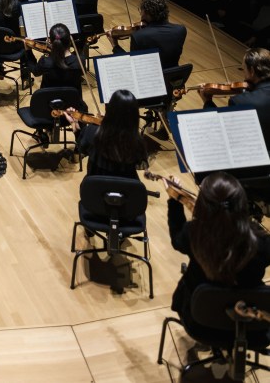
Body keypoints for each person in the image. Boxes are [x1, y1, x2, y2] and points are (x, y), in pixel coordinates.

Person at [166, 171, 270, 344]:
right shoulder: (262, 243)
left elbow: (177, 239)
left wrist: (174, 201)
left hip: (200, 323)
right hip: (251, 327)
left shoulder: (193, 233)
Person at [64, 88, 146, 178]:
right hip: (126, 189)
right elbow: (140, 164)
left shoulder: (92, 132)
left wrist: (74, 124)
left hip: (97, 187)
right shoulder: (138, 142)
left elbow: (81, 148)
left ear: (110, 110)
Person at [201, 48, 270, 151]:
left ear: (251, 71)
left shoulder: (241, 101)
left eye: (244, 69)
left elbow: (222, 132)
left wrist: (207, 101)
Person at [107, 0, 187, 69]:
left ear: (146, 13)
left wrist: (115, 45)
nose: (140, 14)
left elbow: (131, 65)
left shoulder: (139, 36)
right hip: (171, 77)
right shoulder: (181, 30)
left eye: (141, 11)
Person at [35, 23, 83, 92]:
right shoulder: (80, 61)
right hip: (72, 101)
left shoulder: (45, 61)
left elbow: (35, 72)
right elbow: (80, 73)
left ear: (50, 42)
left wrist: (28, 51)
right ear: (69, 41)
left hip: (49, 100)